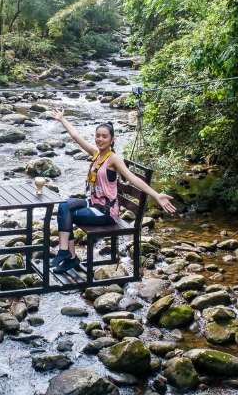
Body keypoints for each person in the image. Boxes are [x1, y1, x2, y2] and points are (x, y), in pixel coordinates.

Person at [49, 108, 177, 273]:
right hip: (93, 203)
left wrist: (156, 195)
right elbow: (76, 137)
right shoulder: (96, 154)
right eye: (98, 136)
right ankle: (67, 254)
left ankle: (68, 255)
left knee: (68, 215)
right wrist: (62, 119)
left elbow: (133, 178)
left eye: (104, 136)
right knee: (63, 206)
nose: (100, 139)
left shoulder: (113, 159)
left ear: (112, 140)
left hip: (106, 212)